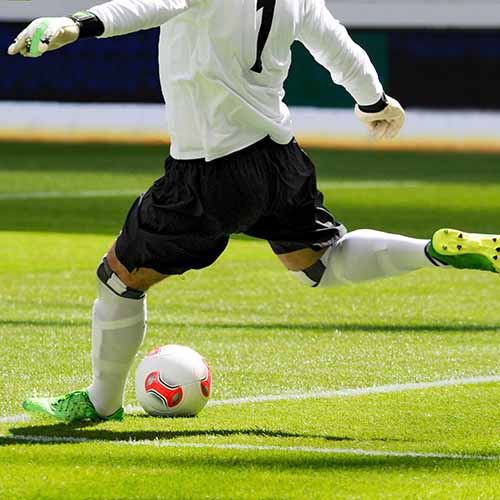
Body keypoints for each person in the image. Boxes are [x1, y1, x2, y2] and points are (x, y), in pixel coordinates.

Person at [8, 0, 499, 423]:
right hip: (279, 160)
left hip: (210, 168)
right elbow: (336, 46)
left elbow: (145, 8)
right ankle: (433, 251)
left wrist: (76, 23)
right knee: (320, 261)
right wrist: (374, 101)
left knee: (119, 277)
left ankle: (101, 401)